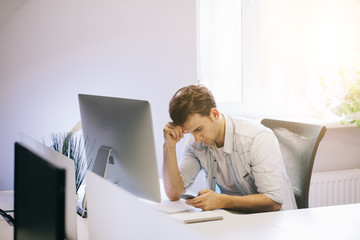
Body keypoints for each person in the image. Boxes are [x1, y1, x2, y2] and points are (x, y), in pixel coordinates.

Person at [162, 84, 297, 213]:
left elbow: (274, 202)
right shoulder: (195, 143)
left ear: (214, 114)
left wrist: (221, 201)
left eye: (199, 129)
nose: (196, 138)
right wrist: (169, 146)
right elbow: (174, 194)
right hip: (234, 218)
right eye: (190, 132)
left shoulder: (257, 138)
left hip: (275, 222)